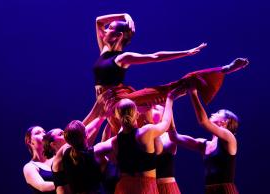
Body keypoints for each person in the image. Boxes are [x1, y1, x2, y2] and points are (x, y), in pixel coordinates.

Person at [84, 13, 249, 139]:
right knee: (113, 139)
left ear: (118, 36)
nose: (105, 30)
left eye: (110, 28)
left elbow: (155, 56)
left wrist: (186, 53)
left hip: (118, 99)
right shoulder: (104, 50)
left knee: (167, 90)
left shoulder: (122, 58)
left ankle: (224, 69)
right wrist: (125, 15)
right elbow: (98, 20)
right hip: (105, 102)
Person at [96, 87, 184, 194]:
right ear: (137, 114)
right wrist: (169, 99)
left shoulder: (115, 141)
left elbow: (98, 151)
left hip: (124, 187)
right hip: (144, 186)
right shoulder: (146, 132)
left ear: (117, 117)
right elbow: (165, 123)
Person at [168, 87, 240, 194]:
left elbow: (203, 122)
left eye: (217, 113)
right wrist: (169, 104)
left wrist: (193, 93)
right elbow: (174, 137)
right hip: (209, 190)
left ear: (226, 121)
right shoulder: (205, 144)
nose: (213, 114)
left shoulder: (229, 137)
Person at [23, 126, 56, 194]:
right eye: (38, 133)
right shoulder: (30, 167)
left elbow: (74, 133)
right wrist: (70, 183)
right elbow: (42, 186)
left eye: (44, 132)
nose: (44, 134)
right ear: (30, 142)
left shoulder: (57, 156)